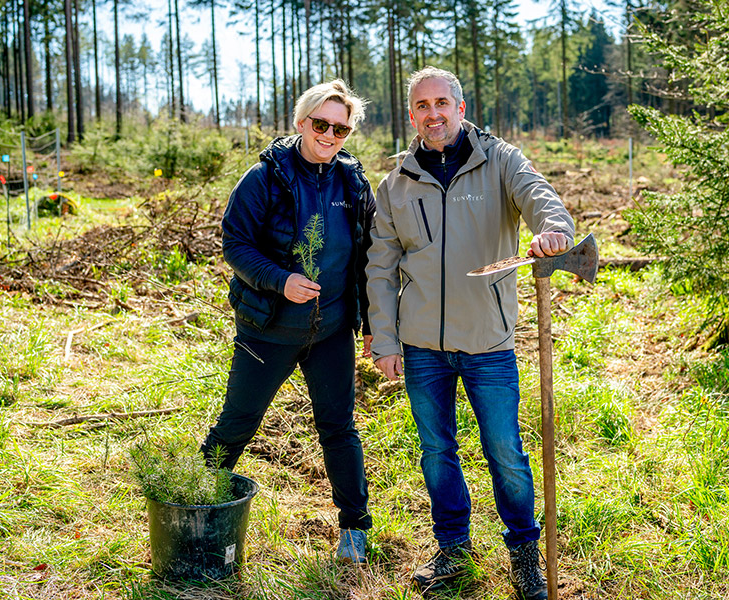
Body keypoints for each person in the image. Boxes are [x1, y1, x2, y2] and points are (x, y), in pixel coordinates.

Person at [366, 66, 575, 599]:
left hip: (488, 341)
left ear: (460, 108)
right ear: (410, 115)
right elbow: (381, 269)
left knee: (504, 450)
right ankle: (453, 549)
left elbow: (539, 194)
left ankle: (525, 554)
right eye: (421, 106)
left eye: (442, 103)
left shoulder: (499, 161)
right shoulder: (395, 185)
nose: (432, 114)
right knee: (437, 450)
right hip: (421, 347)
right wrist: (385, 340)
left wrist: (554, 229)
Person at [201, 80, 374, 564]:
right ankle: (198, 511)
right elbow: (235, 243)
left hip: (332, 331)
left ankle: (354, 529)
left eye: (341, 128)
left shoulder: (353, 183)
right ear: (301, 123)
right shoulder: (264, 178)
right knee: (237, 423)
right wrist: (280, 281)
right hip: (268, 328)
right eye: (321, 123)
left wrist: (372, 325)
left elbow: (369, 256)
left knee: (339, 428)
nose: (330, 134)